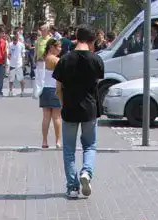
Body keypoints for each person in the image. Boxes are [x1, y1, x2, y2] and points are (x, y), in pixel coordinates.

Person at [53, 25, 104, 199]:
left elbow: (58, 88)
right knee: (90, 145)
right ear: (92, 41)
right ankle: (86, 173)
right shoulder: (96, 60)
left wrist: (63, 104)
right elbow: (96, 84)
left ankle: (72, 187)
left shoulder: (64, 60)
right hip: (90, 108)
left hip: (70, 109)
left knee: (69, 150)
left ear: (76, 38)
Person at [39, 38, 62, 148]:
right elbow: (61, 77)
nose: (60, 49)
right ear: (52, 47)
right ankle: (58, 141)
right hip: (55, 89)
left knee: (46, 117)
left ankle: (44, 141)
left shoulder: (43, 58)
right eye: (59, 47)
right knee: (56, 117)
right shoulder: (56, 60)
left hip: (44, 89)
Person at [7, 31, 25, 96]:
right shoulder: (10, 44)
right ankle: (10, 91)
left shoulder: (21, 45)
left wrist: (23, 64)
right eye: (14, 40)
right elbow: (9, 53)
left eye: (16, 40)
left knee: (21, 79)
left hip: (19, 65)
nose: (15, 42)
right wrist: (9, 56)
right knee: (11, 79)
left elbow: (23, 55)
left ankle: (22, 91)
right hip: (12, 65)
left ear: (18, 39)